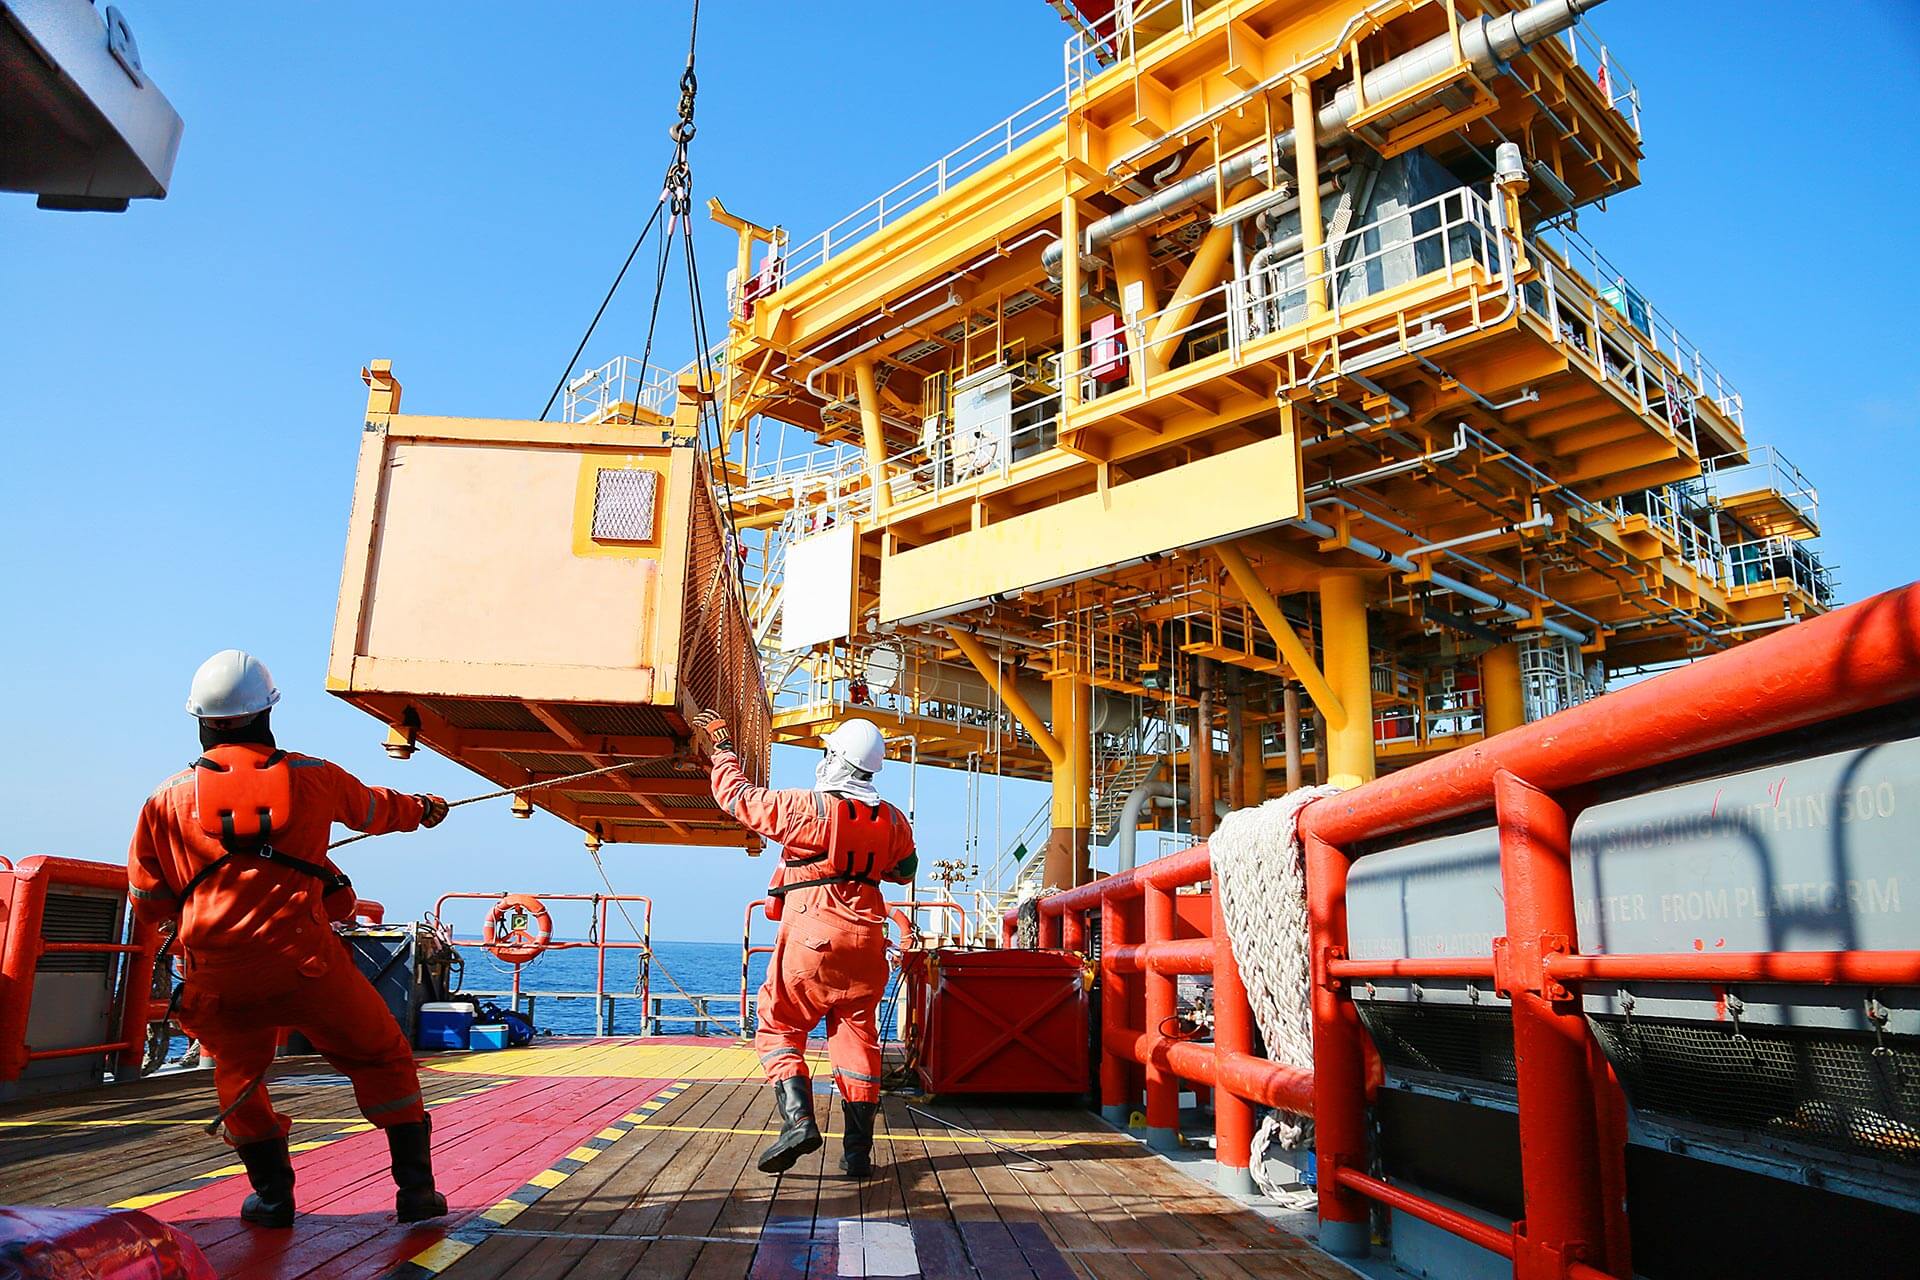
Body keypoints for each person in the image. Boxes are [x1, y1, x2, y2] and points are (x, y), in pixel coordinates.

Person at [126, 650, 453, 1228]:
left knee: (239, 1073)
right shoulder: (314, 777)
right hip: (307, 969)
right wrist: (424, 809)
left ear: (200, 719)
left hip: (220, 978)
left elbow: (149, 902)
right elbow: (379, 810)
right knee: (382, 1058)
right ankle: (416, 1194)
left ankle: (274, 1198)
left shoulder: (164, 800)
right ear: (267, 711)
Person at [692, 711, 916, 1178]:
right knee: (858, 1043)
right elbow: (905, 870)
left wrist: (722, 748)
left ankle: (798, 1123)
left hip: (813, 940)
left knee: (779, 1028)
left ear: (835, 759)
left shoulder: (809, 809)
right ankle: (858, 1153)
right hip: (868, 942)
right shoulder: (894, 820)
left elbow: (737, 797)